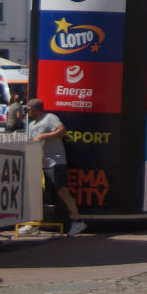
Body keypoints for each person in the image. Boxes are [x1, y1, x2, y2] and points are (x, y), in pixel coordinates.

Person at [24, 99, 87, 235]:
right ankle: (34, 224)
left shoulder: (49, 118)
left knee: (62, 191)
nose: (27, 113)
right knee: (36, 193)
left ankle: (78, 221)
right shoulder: (31, 125)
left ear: (35, 109)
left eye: (29, 110)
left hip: (56, 163)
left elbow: (62, 131)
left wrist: (43, 136)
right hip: (41, 165)